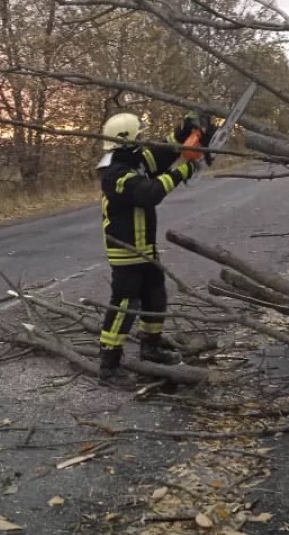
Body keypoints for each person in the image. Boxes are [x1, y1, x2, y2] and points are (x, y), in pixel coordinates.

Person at [93, 110, 217, 389]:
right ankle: (108, 365)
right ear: (125, 141)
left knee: (155, 294)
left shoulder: (133, 160)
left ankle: (151, 347)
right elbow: (149, 192)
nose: (143, 140)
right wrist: (185, 169)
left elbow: (159, 155)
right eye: (138, 136)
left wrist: (185, 131)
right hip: (125, 250)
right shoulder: (115, 174)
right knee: (125, 303)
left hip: (144, 246)